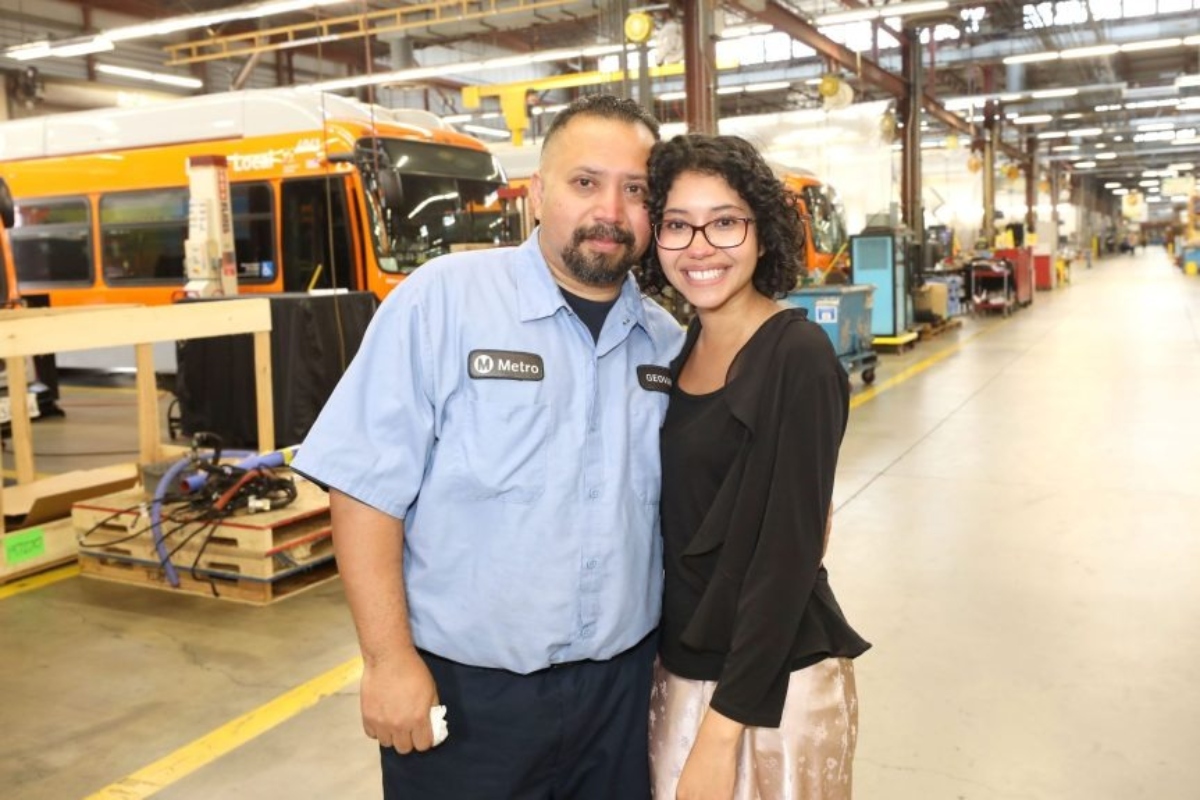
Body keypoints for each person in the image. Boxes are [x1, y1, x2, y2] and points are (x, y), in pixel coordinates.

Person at [290, 95, 684, 799]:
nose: (611, 212)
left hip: (622, 696)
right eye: (585, 182)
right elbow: (365, 488)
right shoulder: (441, 302)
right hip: (467, 700)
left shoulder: (666, 341)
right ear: (536, 193)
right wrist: (387, 662)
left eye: (636, 191)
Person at [639, 134, 870, 800]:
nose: (700, 247)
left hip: (769, 693)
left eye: (725, 223)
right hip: (683, 667)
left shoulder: (797, 356)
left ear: (762, 233)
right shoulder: (684, 349)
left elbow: (786, 558)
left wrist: (719, 735)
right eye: (677, 225)